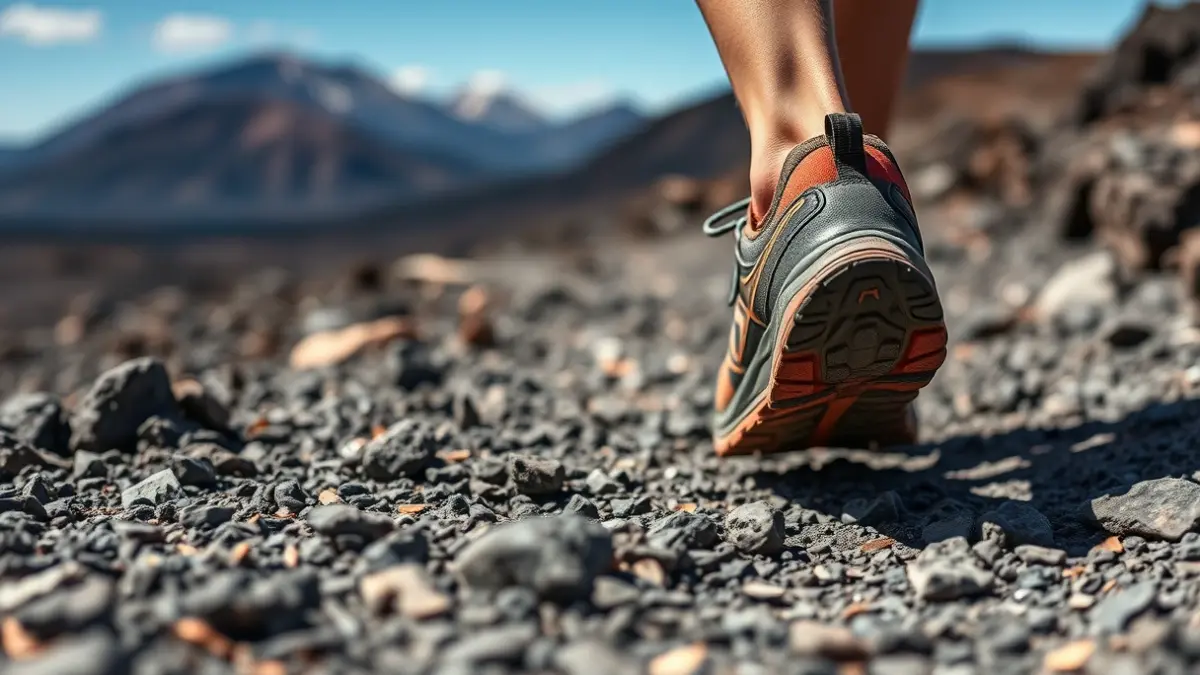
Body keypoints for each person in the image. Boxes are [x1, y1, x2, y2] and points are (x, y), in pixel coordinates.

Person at [695, 0, 948, 455]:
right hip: (869, 198)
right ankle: (857, 190)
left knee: (811, 137)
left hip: (802, 205)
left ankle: (794, 169)